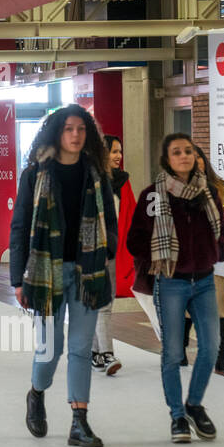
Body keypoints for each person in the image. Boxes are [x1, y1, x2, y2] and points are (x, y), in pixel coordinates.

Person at [9, 105, 117, 447]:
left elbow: (109, 220)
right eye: (69, 129)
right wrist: (17, 278)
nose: (75, 135)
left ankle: (79, 421)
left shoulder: (96, 173)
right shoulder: (35, 174)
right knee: (49, 349)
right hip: (46, 273)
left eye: (81, 129)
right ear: (57, 132)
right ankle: (37, 392)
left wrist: (107, 250)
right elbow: (20, 227)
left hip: (88, 271)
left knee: (82, 348)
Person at [127, 133, 224, 444]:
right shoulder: (153, 195)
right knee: (173, 353)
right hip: (171, 281)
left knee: (210, 348)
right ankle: (177, 417)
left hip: (204, 281)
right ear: (166, 159)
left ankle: (194, 405)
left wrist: (219, 250)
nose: (184, 156)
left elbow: (222, 230)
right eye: (176, 152)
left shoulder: (208, 192)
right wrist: (157, 259)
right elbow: (135, 239)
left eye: (188, 151)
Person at [191, 145, 224, 374]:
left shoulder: (221, 186)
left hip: (219, 255)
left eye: (198, 158)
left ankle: (222, 355)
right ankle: (181, 350)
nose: (195, 162)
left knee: (220, 303)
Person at [91, 135, 135, 377]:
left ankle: (96, 353)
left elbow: (128, 215)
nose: (118, 156)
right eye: (113, 151)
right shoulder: (91, 180)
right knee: (103, 304)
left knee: (101, 304)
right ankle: (107, 353)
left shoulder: (122, 182)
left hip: (111, 251)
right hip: (89, 251)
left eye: (120, 151)